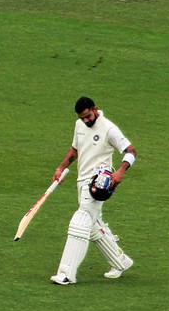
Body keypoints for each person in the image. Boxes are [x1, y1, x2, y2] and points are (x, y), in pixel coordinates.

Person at [50, 96, 138, 285]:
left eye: (88, 116)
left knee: (80, 222)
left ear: (95, 109)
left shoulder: (109, 129)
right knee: (92, 226)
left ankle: (66, 274)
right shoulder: (79, 125)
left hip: (98, 183)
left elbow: (131, 151)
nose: (86, 121)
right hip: (81, 182)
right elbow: (74, 151)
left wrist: (120, 172)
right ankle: (120, 261)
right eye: (83, 118)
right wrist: (60, 168)